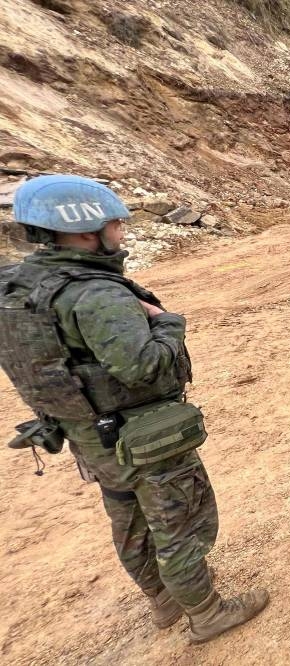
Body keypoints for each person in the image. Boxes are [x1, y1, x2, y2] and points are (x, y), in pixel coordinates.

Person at [0, 175, 268, 643]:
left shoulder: (20, 285)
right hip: (139, 431)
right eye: (115, 224)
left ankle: (163, 602)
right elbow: (143, 368)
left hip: (85, 428)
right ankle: (206, 614)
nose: (122, 232)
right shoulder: (95, 293)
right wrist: (168, 324)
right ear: (86, 231)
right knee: (177, 519)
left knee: (127, 513)